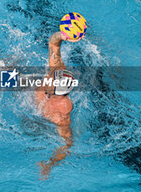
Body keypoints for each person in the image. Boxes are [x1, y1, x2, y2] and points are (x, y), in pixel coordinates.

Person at [35, 31, 81, 179]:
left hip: (37, 118)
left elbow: (67, 145)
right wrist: (62, 36)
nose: (48, 78)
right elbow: (53, 43)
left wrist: (50, 163)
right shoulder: (57, 71)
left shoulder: (61, 114)